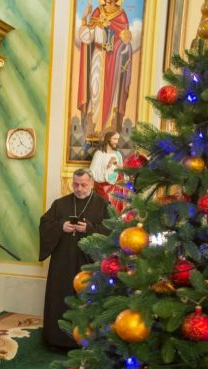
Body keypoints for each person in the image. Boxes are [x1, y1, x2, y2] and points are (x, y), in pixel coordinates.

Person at [39, 169, 109, 349]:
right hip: (63, 260)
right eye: (76, 184)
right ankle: (57, 339)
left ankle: (87, 341)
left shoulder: (102, 204)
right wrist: (61, 226)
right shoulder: (60, 204)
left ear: (91, 183)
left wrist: (89, 228)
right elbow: (45, 224)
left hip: (89, 263)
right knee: (61, 297)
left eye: (83, 185)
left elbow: (112, 231)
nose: (79, 189)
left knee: (86, 298)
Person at [76, 0, 133, 138]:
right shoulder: (97, 12)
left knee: (111, 93)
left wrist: (122, 43)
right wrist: (84, 18)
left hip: (113, 62)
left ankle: (107, 130)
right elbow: (86, 38)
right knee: (95, 90)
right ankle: (93, 126)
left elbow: (125, 43)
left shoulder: (121, 16)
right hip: (97, 58)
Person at [89, 130, 126, 212]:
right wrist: (108, 165)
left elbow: (121, 169)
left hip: (115, 187)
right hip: (102, 186)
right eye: (114, 139)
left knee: (114, 211)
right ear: (108, 139)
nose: (117, 141)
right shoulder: (99, 154)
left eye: (118, 139)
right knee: (103, 209)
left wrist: (116, 164)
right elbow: (92, 171)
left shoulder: (117, 154)